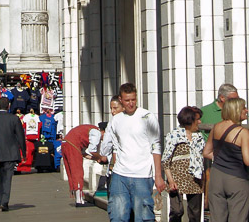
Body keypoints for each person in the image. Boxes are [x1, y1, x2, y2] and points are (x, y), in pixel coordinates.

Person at [100, 82, 165, 221]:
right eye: (127, 100)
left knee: (143, 216)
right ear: (121, 99)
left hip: (142, 175)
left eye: (133, 100)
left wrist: (158, 176)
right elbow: (116, 147)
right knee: (117, 215)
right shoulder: (116, 120)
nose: (131, 103)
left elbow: (156, 147)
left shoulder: (147, 117)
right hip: (120, 175)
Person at [203, 96, 249, 222]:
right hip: (236, 179)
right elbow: (247, 160)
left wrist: (221, 158)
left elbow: (206, 152)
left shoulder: (216, 127)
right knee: (238, 217)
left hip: (216, 177)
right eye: (243, 108)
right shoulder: (243, 132)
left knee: (217, 218)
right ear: (236, 110)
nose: (247, 110)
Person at [162, 106, 204, 222]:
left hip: (195, 179)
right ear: (190, 120)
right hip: (177, 178)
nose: (200, 122)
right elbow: (166, 159)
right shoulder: (174, 135)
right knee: (177, 211)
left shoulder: (199, 136)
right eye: (197, 119)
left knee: (195, 213)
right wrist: (170, 180)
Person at [0, 96, 26, 211]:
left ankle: (1, 199)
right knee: (8, 178)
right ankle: (4, 201)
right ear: (8, 106)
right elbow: (20, 136)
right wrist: (24, 152)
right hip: (11, 153)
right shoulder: (14, 119)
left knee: (0, 177)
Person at [63, 122, 103, 205]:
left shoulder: (90, 129)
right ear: (103, 131)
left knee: (71, 171)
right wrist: (99, 158)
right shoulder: (97, 132)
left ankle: (79, 198)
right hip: (73, 144)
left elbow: (85, 154)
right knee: (77, 170)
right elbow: (91, 150)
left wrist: (94, 158)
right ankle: (79, 200)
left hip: (66, 143)